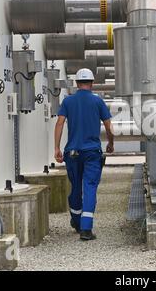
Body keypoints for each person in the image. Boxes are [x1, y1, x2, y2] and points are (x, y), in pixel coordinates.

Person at [54, 68, 114, 241]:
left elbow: (59, 123)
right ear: (92, 83)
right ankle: (86, 230)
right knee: (90, 187)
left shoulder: (68, 101)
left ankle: (76, 220)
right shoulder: (98, 101)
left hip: (72, 152)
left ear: (77, 83)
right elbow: (109, 126)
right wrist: (110, 143)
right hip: (92, 153)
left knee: (76, 187)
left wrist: (57, 148)